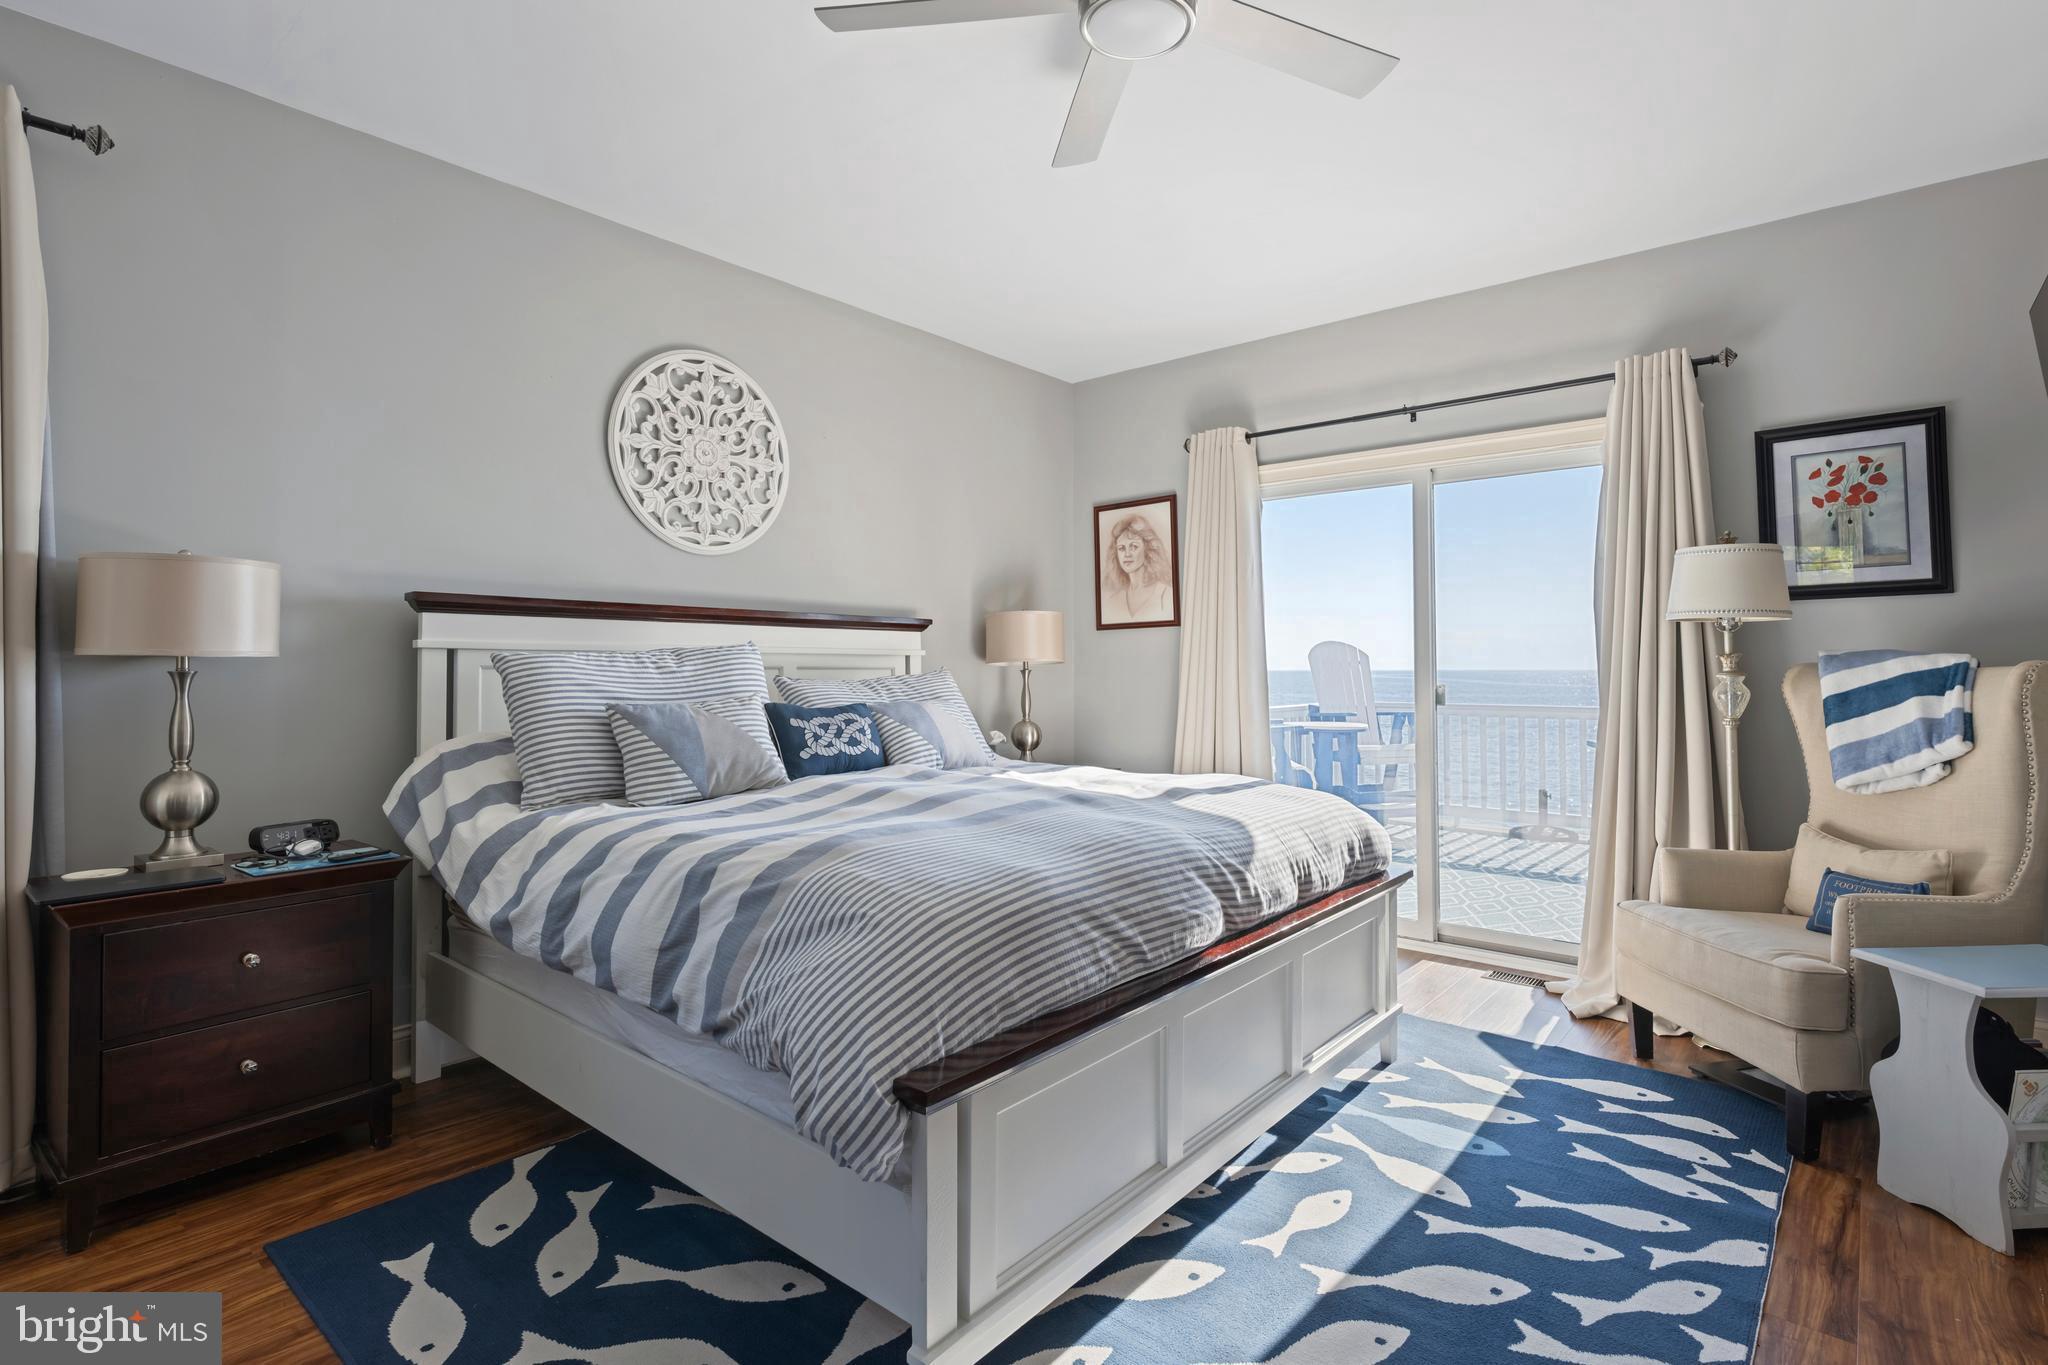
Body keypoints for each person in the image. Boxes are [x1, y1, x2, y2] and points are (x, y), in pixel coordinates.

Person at [1100, 512, 1173, 623]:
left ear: (1147, 549)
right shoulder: (1113, 600)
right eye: (1121, 548)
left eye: (1133, 546)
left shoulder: (1165, 594)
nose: (1127, 554)